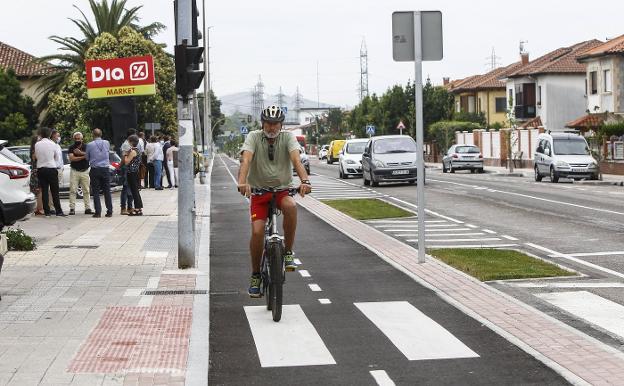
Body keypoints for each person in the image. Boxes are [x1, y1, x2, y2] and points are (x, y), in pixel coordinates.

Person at [237, 105, 312, 297]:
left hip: (281, 191)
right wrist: (242, 182)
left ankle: (287, 252)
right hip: (259, 194)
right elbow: (246, 160)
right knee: (257, 231)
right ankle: (255, 275)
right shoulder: (253, 137)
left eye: (276, 124)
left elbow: (296, 160)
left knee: (291, 206)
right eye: (268, 124)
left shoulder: (288, 137)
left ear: (281, 124)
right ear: (262, 124)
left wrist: (304, 181)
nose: (272, 128)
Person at [34, 127, 66, 217]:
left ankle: (47, 211)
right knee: (54, 191)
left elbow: (37, 156)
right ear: (49, 134)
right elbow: (57, 157)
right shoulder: (53, 144)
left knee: (44, 191)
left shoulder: (37, 144)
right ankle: (58, 211)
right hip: (51, 168)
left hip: (41, 169)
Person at [86, 128, 113, 218]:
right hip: (105, 168)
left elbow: (87, 158)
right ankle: (109, 211)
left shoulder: (90, 145)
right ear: (101, 134)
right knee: (107, 190)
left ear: (93, 135)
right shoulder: (107, 143)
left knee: (96, 191)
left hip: (95, 169)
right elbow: (108, 153)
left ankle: (98, 212)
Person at [119, 129, 144, 215]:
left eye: (129, 142)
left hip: (132, 173)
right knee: (135, 190)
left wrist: (125, 155)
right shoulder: (138, 150)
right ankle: (139, 208)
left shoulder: (133, 151)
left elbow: (126, 162)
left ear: (131, 142)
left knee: (134, 191)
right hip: (135, 172)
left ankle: (137, 208)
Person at [67, 132, 93, 215]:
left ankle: (87, 208)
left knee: (86, 190)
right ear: (73, 139)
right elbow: (72, 158)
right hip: (74, 171)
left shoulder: (87, 147)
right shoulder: (71, 147)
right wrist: (84, 156)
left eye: (79, 139)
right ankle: (72, 208)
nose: (77, 140)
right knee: (73, 190)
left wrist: (80, 153)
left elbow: (90, 156)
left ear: (82, 139)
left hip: (85, 171)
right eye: (76, 139)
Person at [29, 135, 44, 215]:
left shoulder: (33, 149)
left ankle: (38, 208)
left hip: (36, 171)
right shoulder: (35, 150)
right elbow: (37, 159)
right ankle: (39, 209)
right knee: (39, 190)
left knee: (37, 191)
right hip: (36, 172)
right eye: (39, 140)